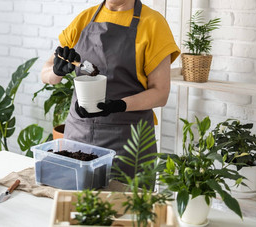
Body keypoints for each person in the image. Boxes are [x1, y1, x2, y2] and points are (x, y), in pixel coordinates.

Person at [41, 0, 180, 179]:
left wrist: (117, 105)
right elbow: (46, 72)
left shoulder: (153, 23)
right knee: (75, 203)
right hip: (77, 139)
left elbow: (160, 93)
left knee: (125, 206)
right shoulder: (85, 19)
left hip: (128, 144)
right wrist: (56, 70)